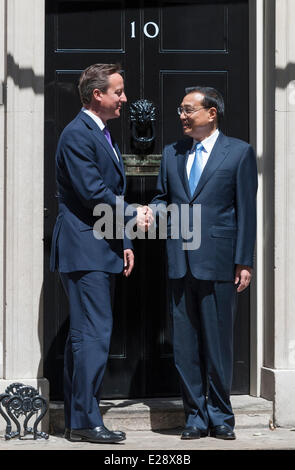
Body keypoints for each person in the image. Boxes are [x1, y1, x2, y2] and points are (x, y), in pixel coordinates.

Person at [150, 86, 258, 440]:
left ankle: (221, 416)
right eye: (181, 110)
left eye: (188, 109)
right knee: (185, 346)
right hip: (180, 261)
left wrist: (244, 261)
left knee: (218, 345)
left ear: (211, 113)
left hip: (219, 262)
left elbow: (246, 211)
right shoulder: (171, 153)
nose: (181, 115)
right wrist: (154, 211)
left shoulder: (239, 153)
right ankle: (195, 416)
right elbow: (163, 197)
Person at [50, 63, 145, 444]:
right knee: (93, 336)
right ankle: (86, 422)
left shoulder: (102, 133)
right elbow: (92, 193)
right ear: (97, 95)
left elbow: (108, 193)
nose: (124, 99)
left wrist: (124, 241)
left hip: (100, 246)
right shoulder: (78, 134)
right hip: (84, 248)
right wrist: (135, 216)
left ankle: (80, 419)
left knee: (87, 336)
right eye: (118, 92)